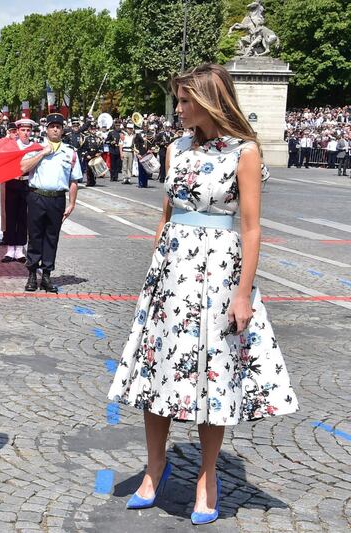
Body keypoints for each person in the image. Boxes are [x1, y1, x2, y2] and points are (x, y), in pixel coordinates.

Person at [108, 64, 298, 525]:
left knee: (212, 375)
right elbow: (166, 214)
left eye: (186, 100)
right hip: (171, 275)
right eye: (178, 100)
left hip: (218, 273)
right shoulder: (176, 148)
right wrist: (156, 270)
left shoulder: (244, 152)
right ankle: (155, 469)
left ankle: (207, 477)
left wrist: (242, 294)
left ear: (212, 101)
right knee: (158, 370)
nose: (178, 108)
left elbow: (251, 229)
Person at [20, 113, 81, 293]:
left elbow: (74, 180)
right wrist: (42, 153)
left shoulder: (70, 152)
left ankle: (46, 275)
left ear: (62, 130)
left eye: (58, 126)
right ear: (46, 129)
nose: (55, 129)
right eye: (52, 126)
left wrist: (72, 203)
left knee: (51, 237)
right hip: (37, 196)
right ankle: (32, 274)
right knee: (35, 236)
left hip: (57, 198)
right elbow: (23, 167)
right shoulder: (35, 148)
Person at [2, 119, 33, 263]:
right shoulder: (12, 145)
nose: (26, 133)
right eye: (23, 130)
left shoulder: (34, 147)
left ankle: (20, 249)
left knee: (23, 216)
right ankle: (10, 249)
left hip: (27, 183)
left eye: (28, 130)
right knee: (11, 215)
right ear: (18, 131)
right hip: (12, 182)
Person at [82, 122, 103, 187]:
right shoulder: (86, 138)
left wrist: (99, 153)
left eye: (94, 129)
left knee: (94, 169)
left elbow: (101, 147)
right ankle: (89, 182)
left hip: (95, 155)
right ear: (89, 130)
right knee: (88, 170)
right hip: (89, 155)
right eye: (92, 129)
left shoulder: (98, 138)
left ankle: (93, 181)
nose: (93, 130)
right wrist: (86, 154)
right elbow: (83, 148)